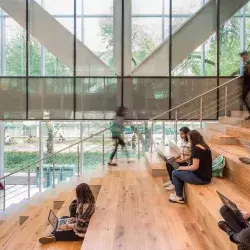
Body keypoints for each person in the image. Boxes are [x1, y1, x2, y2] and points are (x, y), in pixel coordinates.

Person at [169, 130, 212, 204]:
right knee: (179, 171)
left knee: (175, 172)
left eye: (189, 139)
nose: (189, 141)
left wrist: (181, 168)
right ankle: (178, 192)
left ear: (193, 139)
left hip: (200, 178)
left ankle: (179, 197)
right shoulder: (205, 147)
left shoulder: (196, 149)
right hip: (207, 177)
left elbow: (194, 167)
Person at [164, 127, 191, 191]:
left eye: (182, 134)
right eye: (180, 134)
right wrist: (175, 157)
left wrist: (183, 160)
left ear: (187, 134)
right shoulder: (183, 142)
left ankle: (174, 184)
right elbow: (181, 153)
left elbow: (193, 155)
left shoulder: (191, 143)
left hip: (187, 162)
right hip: (182, 160)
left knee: (174, 165)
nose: (180, 136)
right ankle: (171, 180)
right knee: (168, 162)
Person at [240, 51, 250, 121]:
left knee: (243, 98)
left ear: (246, 55)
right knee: (243, 98)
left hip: (248, 83)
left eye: (243, 56)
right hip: (246, 83)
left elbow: (248, 73)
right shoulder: (246, 63)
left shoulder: (248, 62)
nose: (242, 58)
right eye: (242, 57)